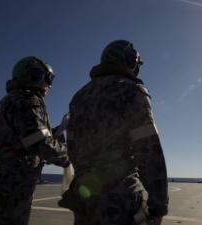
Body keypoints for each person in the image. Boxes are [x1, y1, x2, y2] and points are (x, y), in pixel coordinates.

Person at [60, 40, 168, 225]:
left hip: (85, 195)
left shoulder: (80, 97)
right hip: (119, 199)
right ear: (129, 61)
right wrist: (158, 206)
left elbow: (73, 147)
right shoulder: (131, 91)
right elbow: (148, 150)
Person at [0, 56, 70, 225]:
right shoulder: (28, 101)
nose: (50, 84)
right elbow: (41, 144)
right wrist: (68, 156)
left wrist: (60, 128)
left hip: (2, 176)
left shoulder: (9, 100)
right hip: (15, 181)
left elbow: (29, 138)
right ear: (34, 76)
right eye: (48, 78)